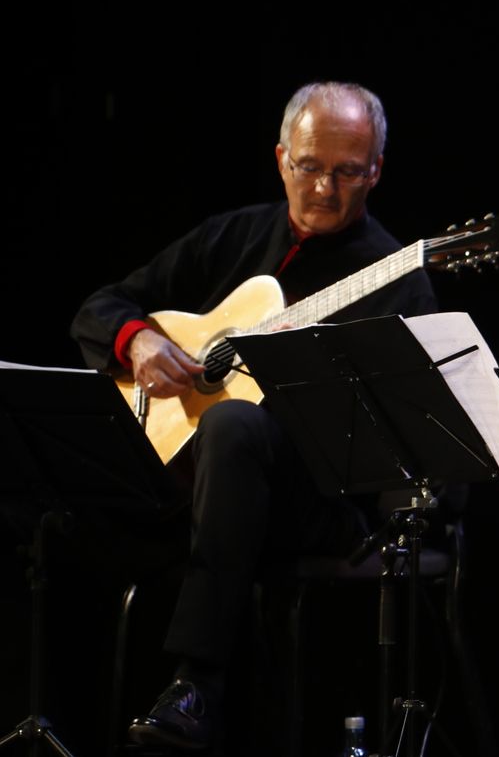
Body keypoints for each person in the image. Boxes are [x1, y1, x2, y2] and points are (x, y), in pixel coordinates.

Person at [71, 81, 438, 752]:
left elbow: (403, 440)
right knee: (54, 507)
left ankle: (196, 687)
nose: (326, 188)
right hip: (190, 493)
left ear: (376, 171)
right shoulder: (235, 235)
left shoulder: (395, 277)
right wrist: (141, 341)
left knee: (236, 425)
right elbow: (101, 306)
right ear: (280, 159)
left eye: (349, 171)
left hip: (322, 504)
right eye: (310, 167)